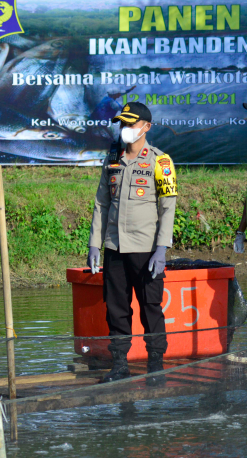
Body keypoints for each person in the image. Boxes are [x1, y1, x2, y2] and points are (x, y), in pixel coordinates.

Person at [87, 102, 178, 386]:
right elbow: (101, 203)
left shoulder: (161, 161)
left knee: (151, 307)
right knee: (116, 308)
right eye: (122, 124)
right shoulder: (112, 158)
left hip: (146, 249)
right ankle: (119, 366)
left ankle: (155, 366)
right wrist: (94, 245)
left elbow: (168, 208)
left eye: (131, 124)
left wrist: (161, 249)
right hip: (115, 247)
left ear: (146, 127)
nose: (125, 129)